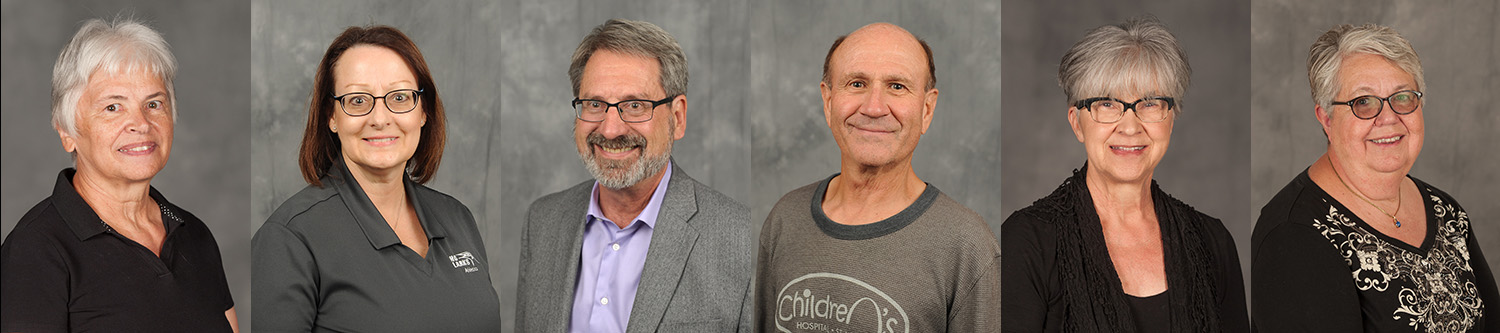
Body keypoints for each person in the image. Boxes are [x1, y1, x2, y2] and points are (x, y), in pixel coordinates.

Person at [1001, 16, 1248, 332]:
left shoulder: (1213, 242)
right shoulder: (1026, 243)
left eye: (1149, 103)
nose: (1130, 127)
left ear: (1172, 117)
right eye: (1106, 104)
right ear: (1077, 122)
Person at [251, 25, 501, 331]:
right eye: (358, 100)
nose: (380, 119)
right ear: (331, 116)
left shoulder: (458, 218)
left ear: (423, 111)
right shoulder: (289, 239)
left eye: (399, 97)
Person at [755, 22, 1001, 332]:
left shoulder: (968, 247)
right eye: (857, 83)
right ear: (828, 101)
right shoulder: (785, 219)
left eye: (897, 86)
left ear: (927, 109)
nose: (873, 107)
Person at [1252, 23, 1499, 332]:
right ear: (1326, 118)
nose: (1388, 118)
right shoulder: (1292, 239)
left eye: (1403, 97)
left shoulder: (1446, 213)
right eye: (1363, 102)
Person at [514, 18, 752, 332]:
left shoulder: (742, 238)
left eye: (635, 105)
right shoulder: (542, 222)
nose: (611, 129)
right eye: (595, 104)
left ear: (677, 118)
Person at [0, 18, 238, 332]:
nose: (141, 123)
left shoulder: (195, 235)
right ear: (68, 132)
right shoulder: (36, 250)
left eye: (154, 103)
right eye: (113, 107)